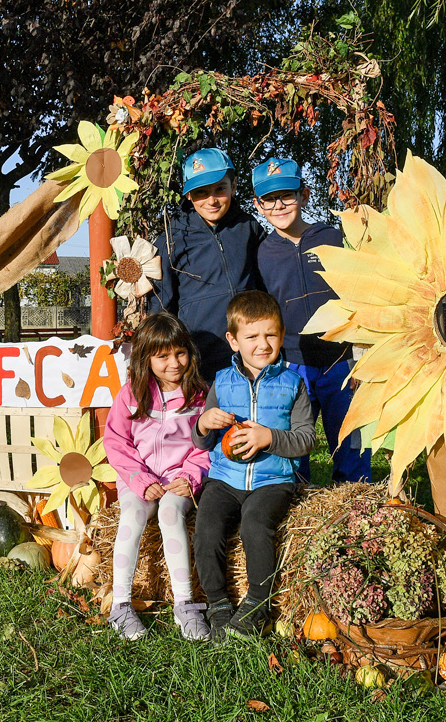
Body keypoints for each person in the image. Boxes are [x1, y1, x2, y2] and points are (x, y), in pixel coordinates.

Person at [192, 291, 315, 640]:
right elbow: (202, 443)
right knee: (206, 528)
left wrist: (269, 438)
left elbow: (307, 438)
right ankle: (218, 603)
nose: (263, 344)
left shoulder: (293, 384)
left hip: (273, 479)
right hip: (225, 478)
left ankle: (258, 605)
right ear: (233, 341)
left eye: (271, 335)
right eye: (252, 337)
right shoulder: (221, 382)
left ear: (282, 334)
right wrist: (203, 424)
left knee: (256, 525)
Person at [252, 157, 371, 483]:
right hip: (292, 365)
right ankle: (294, 499)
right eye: (269, 199)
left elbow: (360, 291)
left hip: (342, 362)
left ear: (303, 195)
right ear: (258, 205)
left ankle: (356, 500)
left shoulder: (334, 238)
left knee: (351, 442)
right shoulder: (261, 253)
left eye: (286, 195)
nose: (278, 205)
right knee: (291, 446)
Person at [103, 313, 212, 641]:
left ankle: (185, 604)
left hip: (180, 478)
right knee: (132, 516)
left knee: (170, 513)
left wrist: (191, 476)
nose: (173, 363)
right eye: (162, 356)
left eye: (180, 353)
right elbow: (116, 442)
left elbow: (206, 445)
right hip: (139, 477)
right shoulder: (132, 394)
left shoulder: (199, 395)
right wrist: (140, 480)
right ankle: (120, 605)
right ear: (145, 358)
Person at [149, 148, 266, 382]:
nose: (212, 200)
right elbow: (161, 307)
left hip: (252, 354)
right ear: (188, 195)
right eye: (201, 192)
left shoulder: (248, 227)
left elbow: (267, 284)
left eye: (220, 189)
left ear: (233, 186)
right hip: (201, 360)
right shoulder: (172, 239)